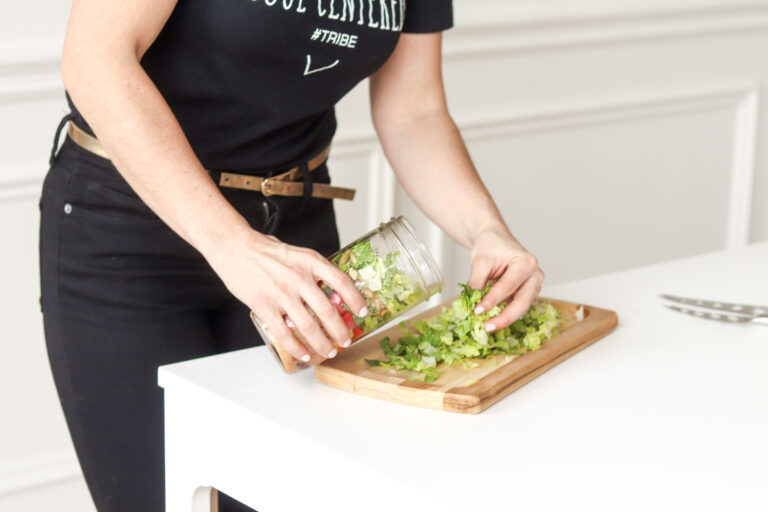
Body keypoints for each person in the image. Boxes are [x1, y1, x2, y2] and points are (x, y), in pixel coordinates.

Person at [39, 0, 545, 510]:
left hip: (297, 243)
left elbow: (414, 111)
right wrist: (231, 244)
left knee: (281, 494)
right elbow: (95, 58)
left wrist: (486, 231)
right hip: (129, 233)